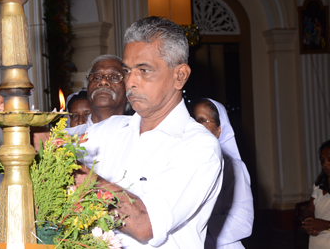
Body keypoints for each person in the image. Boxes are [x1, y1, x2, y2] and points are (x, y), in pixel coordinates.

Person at [74, 16, 223, 248]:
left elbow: (145, 225)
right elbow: (49, 144)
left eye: (144, 70)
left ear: (180, 76)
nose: (130, 82)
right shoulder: (110, 129)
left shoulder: (198, 147)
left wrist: (71, 171)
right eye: (127, 70)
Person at [190, 98, 254, 249]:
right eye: (193, 121)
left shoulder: (234, 167)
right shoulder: (186, 165)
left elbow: (243, 222)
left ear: (219, 130)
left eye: (203, 120)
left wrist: (195, 226)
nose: (196, 127)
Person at [302, 139, 330, 249]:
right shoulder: (319, 185)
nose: (325, 164)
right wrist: (309, 221)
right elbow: (309, 209)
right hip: (317, 243)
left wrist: (327, 225)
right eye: (322, 160)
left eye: (329, 159)